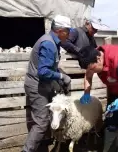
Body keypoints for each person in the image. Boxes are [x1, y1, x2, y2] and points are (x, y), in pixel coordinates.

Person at [22, 15, 72, 152]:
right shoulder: (49, 44)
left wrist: (58, 79)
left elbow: (50, 67)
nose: (68, 34)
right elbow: (43, 71)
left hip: (43, 85)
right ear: (60, 30)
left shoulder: (52, 42)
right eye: (67, 31)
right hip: (37, 86)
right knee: (42, 122)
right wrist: (61, 76)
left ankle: (41, 148)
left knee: (48, 117)